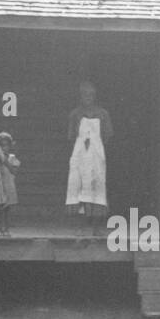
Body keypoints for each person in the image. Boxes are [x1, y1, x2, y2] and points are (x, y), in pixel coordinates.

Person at [65, 81, 113, 235]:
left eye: (91, 95)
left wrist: (94, 146)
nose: (88, 98)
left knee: (97, 186)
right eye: (85, 95)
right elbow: (72, 136)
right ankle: (81, 226)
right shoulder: (75, 114)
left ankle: (96, 227)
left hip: (96, 154)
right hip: (80, 154)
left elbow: (107, 135)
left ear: (95, 96)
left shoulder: (103, 114)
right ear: (80, 96)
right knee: (79, 186)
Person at [0, 131, 20, 236]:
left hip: (8, 185)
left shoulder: (12, 158)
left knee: (7, 209)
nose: (3, 148)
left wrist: (5, 160)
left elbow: (14, 171)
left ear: (10, 146)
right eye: (1, 146)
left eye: (6, 145)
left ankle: (6, 228)